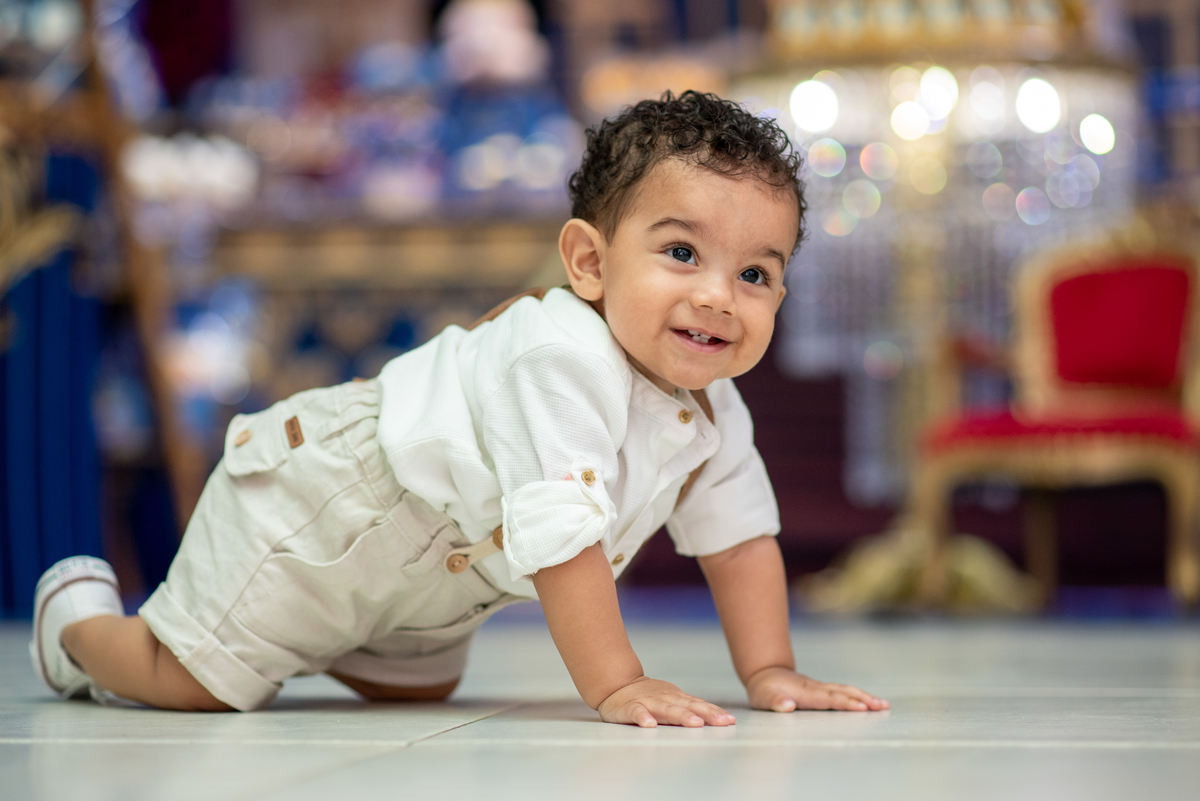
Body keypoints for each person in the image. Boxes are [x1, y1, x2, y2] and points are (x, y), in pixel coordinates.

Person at [31, 91, 889, 726]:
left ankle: (334, 635)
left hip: (436, 568)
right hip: (322, 508)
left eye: (755, 274)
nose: (718, 297)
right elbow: (563, 540)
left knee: (422, 685)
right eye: (680, 252)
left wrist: (770, 667)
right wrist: (616, 681)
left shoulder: (711, 406)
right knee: (194, 682)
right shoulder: (562, 356)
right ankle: (78, 628)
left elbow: (739, 538)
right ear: (588, 263)